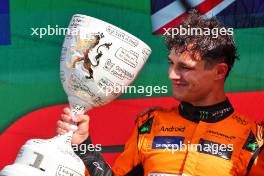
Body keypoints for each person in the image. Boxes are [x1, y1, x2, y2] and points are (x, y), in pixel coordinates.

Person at [56, 10, 264, 176]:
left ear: (219, 71)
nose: (172, 74)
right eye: (171, 64)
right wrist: (83, 146)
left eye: (185, 67)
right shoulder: (151, 124)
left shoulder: (252, 138)